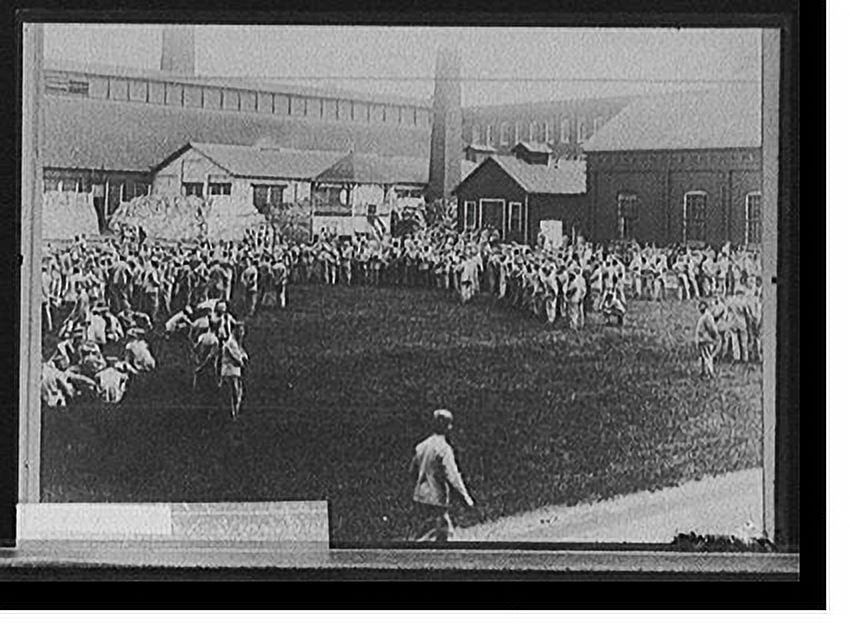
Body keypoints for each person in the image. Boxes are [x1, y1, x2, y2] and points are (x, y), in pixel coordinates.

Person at [409, 409, 475, 542]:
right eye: (449, 424)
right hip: (436, 499)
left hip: (420, 497)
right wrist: (466, 498)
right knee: (437, 535)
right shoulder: (444, 448)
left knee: (429, 532)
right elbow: (453, 476)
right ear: (446, 426)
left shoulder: (421, 446)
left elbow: (412, 471)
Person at [220, 322, 249, 423]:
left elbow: (242, 353)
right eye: (240, 331)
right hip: (230, 371)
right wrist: (242, 360)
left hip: (234, 371)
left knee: (237, 393)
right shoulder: (231, 343)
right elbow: (238, 358)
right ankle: (233, 415)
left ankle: (235, 413)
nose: (242, 333)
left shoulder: (236, 343)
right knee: (234, 394)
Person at [695, 300, 720, 378]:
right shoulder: (708, 316)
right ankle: (709, 373)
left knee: (704, 357)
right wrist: (716, 336)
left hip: (702, 339)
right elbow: (711, 328)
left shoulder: (704, 317)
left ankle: (704, 373)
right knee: (707, 357)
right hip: (706, 339)